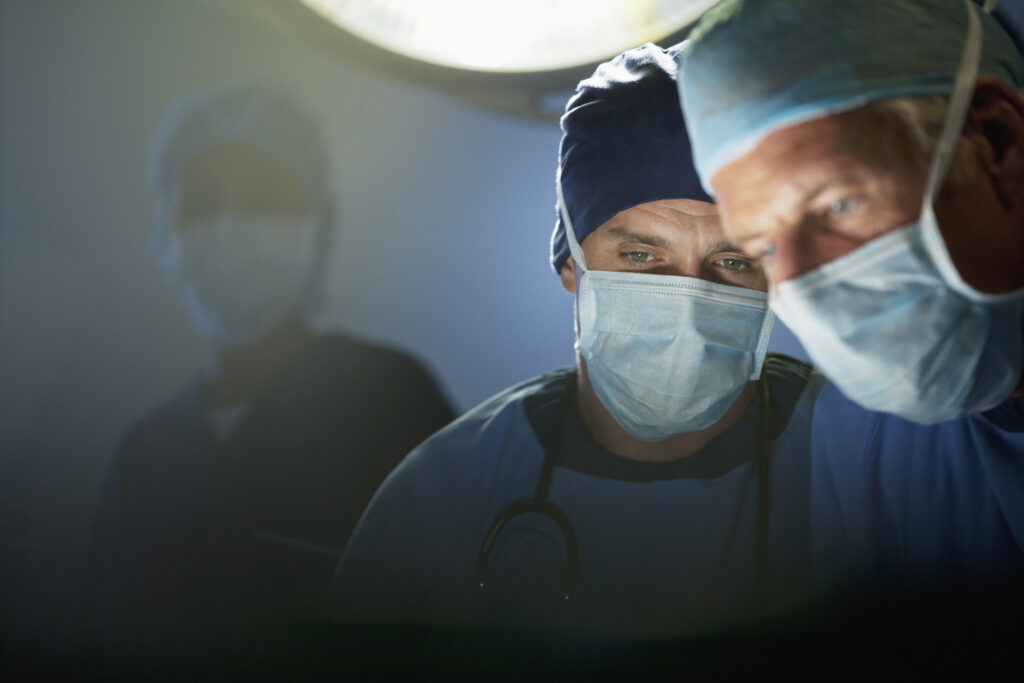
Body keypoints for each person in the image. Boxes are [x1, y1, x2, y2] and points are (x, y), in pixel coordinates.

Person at [330, 43, 828, 636]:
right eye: (642, 255)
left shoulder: (870, 454)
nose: (690, 299)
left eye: (732, 261)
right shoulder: (446, 491)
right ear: (571, 263)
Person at [86, 84, 457, 631]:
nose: (231, 224)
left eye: (264, 197)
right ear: (168, 229)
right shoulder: (146, 455)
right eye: (205, 202)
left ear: (318, 222)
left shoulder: (386, 398)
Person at [676, 0, 1024, 425]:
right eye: (764, 248)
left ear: (998, 140)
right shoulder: (868, 459)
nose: (802, 281)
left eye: (838, 205)